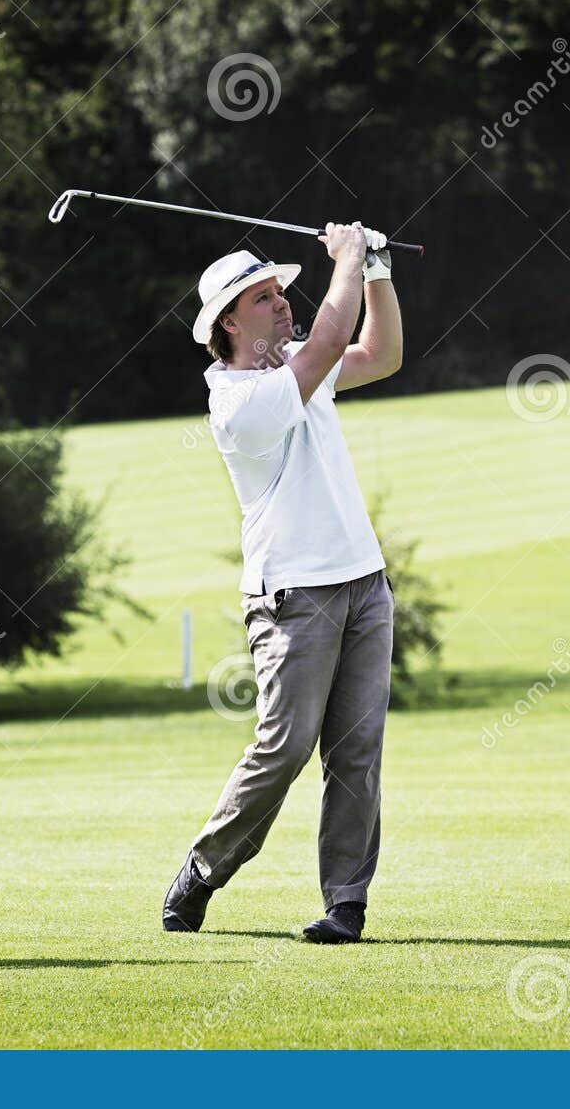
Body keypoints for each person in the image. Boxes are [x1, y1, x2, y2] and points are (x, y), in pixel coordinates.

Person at [163, 221, 403, 944]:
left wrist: (379, 272)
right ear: (229, 323)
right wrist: (350, 258)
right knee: (286, 745)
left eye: (280, 292)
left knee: (356, 751)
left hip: (365, 583)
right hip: (293, 597)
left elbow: (379, 354)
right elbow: (333, 339)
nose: (282, 304)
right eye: (264, 298)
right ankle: (204, 869)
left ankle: (346, 905)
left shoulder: (299, 360)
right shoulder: (236, 402)